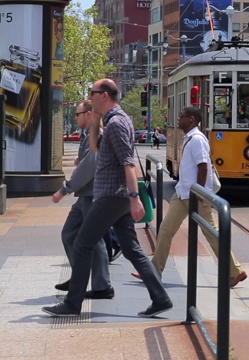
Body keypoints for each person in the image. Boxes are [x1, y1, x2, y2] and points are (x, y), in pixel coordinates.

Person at [42, 79, 172, 317]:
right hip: (115, 196)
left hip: (113, 196)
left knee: (81, 244)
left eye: (93, 93)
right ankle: (161, 297)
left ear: (105, 96)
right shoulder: (110, 122)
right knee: (131, 249)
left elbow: (128, 163)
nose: (89, 97)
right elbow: (96, 151)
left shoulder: (117, 124)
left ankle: (72, 304)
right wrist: (94, 123)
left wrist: (135, 197)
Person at [131, 107, 247, 287]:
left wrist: (200, 192)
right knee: (165, 230)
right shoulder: (190, 138)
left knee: (212, 234)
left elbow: (203, 167)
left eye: (181, 117)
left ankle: (235, 271)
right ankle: (154, 271)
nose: (178, 119)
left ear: (191, 120)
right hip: (183, 193)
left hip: (196, 195)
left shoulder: (197, 140)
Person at [51, 100, 113, 299]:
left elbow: (89, 167)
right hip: (86, 194)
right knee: (70, 234)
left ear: (88, 114)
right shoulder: (88, 135)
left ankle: (102, 287)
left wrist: (65, 189)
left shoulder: (96, 134)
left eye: (77, 114)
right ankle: (79, 277)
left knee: (93, 240)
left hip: (92, 194)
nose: (75, 117)